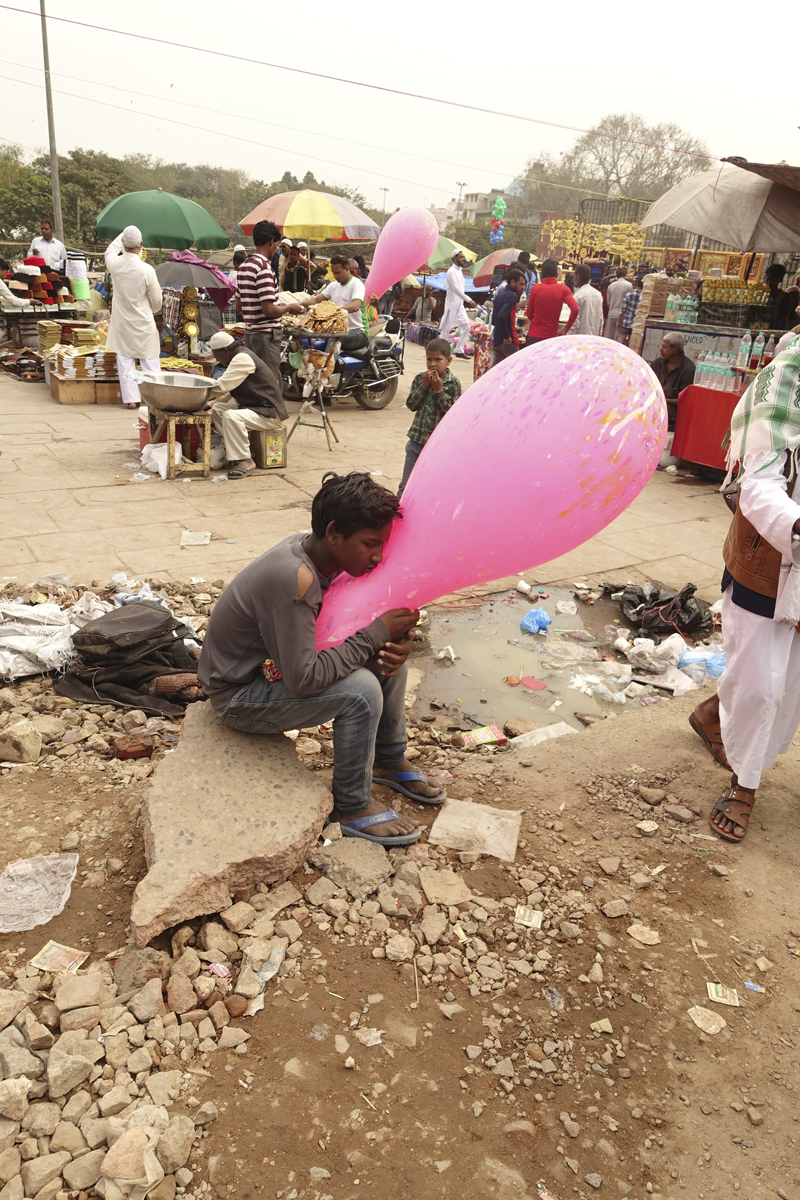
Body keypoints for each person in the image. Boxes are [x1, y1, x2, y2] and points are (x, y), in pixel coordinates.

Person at [197, 471, 446, 846]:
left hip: (272, 670)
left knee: (384, 654)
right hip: (238, 697)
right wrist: (376, 632)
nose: (378, 556)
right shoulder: (294, 578)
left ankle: (388, 760)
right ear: (334, 533)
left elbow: (339, 633)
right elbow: (304, 680)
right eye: (369, 544)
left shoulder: (315, 555)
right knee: (361, 689)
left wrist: (392, 640)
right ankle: (352, 806)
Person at [689, 339, 800, 843]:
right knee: (760, 684)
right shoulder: (783, 384)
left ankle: (712, 712)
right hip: (767, 562)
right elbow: (757, 485)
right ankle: (744, 784)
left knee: (787, 680)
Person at [205, 330, 287, 478]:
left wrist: (199, 396)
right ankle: (237, 452)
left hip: (269, 413)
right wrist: (209, 404)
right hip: (256, 409)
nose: (218, 360)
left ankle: (246, 460)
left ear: (225, 351)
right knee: (217, 409)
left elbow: (222, 386)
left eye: (218, 356)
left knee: (231, 416)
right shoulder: (238, 357)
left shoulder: (242, 358)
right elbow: (227, 392)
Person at [237, 220, 304, 387]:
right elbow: (269, 310)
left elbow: (239, 304)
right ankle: (268, 413)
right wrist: (290, 307)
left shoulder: (245, 266)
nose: (276, 249)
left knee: (255, 382)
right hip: (265, 336)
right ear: (270, 242)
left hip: (250, 333)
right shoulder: (264, 268)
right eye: (276, 244)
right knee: (268, 384)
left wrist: (253, 316)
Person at [104, 225, 162, 408]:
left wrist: (122, 235)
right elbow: (157, 300)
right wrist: (150, 310)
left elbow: (109, 250)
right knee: (149, 359)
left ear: (123, 244)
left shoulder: (115, 264)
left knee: (125, 359)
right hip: (143, 320)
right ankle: (156, 399)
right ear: (141, 244)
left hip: (122, 322)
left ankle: (131, 400)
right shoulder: (147, 270)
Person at [397, 337, 461, 499]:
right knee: (406, 486)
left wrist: (439, 390)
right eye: (429, 359)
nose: (433, 364)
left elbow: (453, 414)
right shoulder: (420, 379)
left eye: (438, 359)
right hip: (416, 442)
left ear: (448, 360)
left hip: (438, 445)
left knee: (433, 486)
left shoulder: (453, 384)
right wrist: (424, 386)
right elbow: (412, 404)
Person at [299, 254, 370, 354]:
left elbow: (355, 305)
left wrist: (333, 310)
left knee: (334, 338)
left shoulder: (357, 284)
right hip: (339, 330)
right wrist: (298, 303)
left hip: (358, 332)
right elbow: (316, 300)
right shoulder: (333, 286)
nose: (335, 276)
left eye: (338, 272)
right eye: (333, 273)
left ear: (347, 269)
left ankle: (327, 368)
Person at [525, 259, 579, 344]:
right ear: (557, 275)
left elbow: (528, 314)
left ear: (542, 275)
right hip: (551, 337)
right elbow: (575, 309)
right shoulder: (564, 289)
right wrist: (565, 329)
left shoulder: (535, 289)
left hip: (534, 336)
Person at [649, 331, 695, 430]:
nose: (661, 350)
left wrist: (664, 400)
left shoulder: (688, 369)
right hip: (653, 409)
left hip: (672, 417)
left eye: (665, 347)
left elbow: (685, 400)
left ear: (675, 349)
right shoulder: (657, 364)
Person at [439, 249, 476, 357]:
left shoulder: (459, 271)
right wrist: (469, 300)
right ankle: (440, 350)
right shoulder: (451, 272)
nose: (463, 259)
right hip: (451, 305)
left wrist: (465, 301)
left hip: (459, 304)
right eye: (460, 257)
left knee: (465, 326)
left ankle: (459, 349)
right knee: (445, 330)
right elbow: (456, 290)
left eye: (463, 257)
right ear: (454, 258)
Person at [490, 267, 525, 368]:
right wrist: (506, 335)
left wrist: (509, 327)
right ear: (513, 282)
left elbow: (495, 319)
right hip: (508, 341)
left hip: (497, 339)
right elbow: (501, 316)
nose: (523, 287)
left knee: (494, 371)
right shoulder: (513, 296)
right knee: (515, 370)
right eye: (521, 284)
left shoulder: (499, 294)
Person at [566, 264, 603, 336]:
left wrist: (568, 337)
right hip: (594, 338)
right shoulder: (598, 294)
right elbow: (601, 320)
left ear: (578, 277)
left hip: (580, 339)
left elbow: (574, 323)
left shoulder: (578, 296)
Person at [764, 263, 796, 331]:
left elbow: (784, 319)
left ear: (780, 280)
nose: (769, 283)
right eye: (768, 279)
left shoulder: (784, 297)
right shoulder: (760, 294)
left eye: (773, 280)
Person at [604, 267, 632, 339]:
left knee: (609, 336)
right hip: (622, 314)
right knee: (618, 337)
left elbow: (608, 301)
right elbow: (629, 302)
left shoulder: (611, 286)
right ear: (625, 275)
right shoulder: (629, 285)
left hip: (611, 312)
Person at [617, 276, 643, 344]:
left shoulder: (629, 294)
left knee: (621, 340)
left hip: (626, 322)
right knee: (631, 343)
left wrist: (618, 321)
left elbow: (623, 309)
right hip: (637, 324)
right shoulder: (644, 297)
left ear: (637, 283)